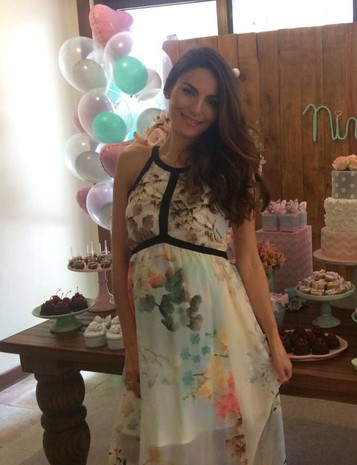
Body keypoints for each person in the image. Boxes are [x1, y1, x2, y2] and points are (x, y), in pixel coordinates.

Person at [109, 46, 292, 465]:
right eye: (189, 91)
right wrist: (130, 349)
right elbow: (119, 261)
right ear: (170, 88)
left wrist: (274, 340)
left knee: (214, 441)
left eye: (212, 101)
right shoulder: (131, 163)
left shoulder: (232, 168)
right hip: (153, 339)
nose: (197, 109)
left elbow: (248, 262)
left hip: (215, 329)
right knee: (162, 439)